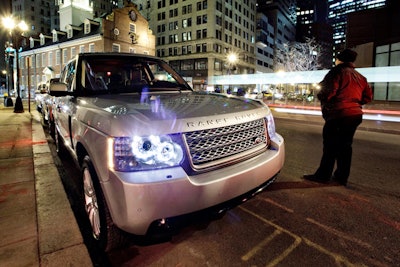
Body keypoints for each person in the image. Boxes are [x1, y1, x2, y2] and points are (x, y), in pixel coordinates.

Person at [303, 48, 373, 186]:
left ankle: (323, 175)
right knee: (346, 146)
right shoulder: (361, 77)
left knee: (330, 146)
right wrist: (354, 103)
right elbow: (367, 97)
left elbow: (328, 92)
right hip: (355, 114)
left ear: (339, 59)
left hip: (338, 114)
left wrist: (321, 97)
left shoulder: (336, 72)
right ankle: (341, 176)